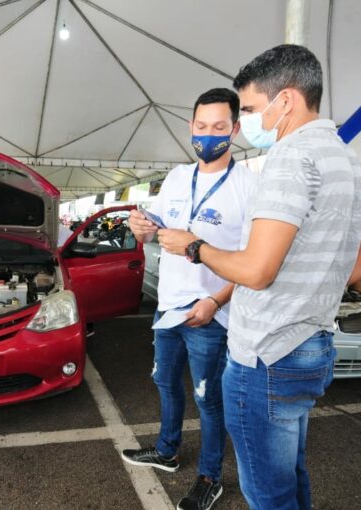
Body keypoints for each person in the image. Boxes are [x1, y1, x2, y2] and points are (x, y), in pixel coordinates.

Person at [160, 45, 361, 509]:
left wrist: (194, 246)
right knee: (290, 477)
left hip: (267, 354)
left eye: (251, 109)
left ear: (287, 100)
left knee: (268, 494)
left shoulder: (290, 159)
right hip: (309, 345)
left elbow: (256, 271)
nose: (250, 121)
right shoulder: (341, 156)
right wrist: (326, 285)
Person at [121, 88, 258, 510]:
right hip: (169, 307)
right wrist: (140, 227)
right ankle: (167, 450)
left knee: (208, 399)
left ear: (235, 129)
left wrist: (215, 301)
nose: (208, 135)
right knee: (165, 383)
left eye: (219, 127)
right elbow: (157, 229)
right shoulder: (179, 177)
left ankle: (210, 477)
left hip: (210, 313)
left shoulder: (248, 186)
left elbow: (255, 264)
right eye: (201, 127)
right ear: (190, 127)